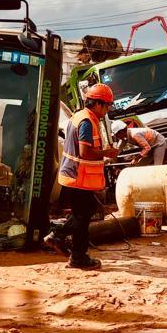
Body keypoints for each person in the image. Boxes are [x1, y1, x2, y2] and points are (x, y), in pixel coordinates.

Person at [46, 83, 119, 270]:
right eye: (107, 105)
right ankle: (78, 257)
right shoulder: (87, 121)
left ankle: (59, 237)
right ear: (98, 104)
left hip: (73, 175)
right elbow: (85, 152)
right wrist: (107, 153)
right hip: (79, 177)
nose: (108, 109)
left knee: (85, 213)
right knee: (82, 218)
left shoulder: (78, 116)